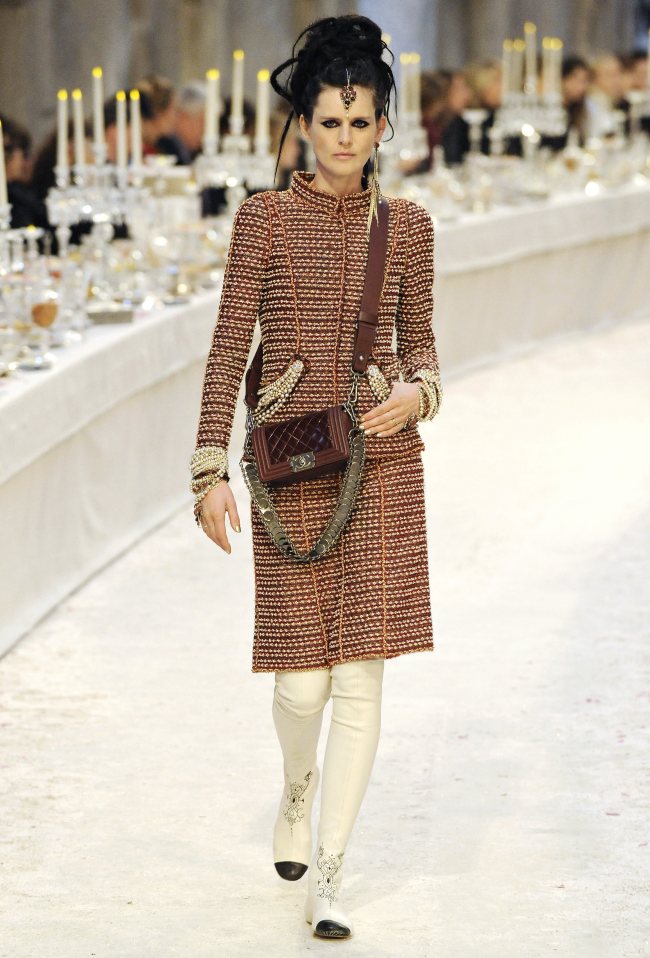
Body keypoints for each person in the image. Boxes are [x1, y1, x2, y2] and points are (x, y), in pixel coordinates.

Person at [189, 13, 442, 941]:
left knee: (362, 682)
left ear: (382, 126)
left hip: (382, 465)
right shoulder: (263, 220)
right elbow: (228, 349)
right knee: (302, 688)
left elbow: (424, 347)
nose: (343, 138)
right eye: (328, 121)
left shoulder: (409, 228)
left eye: (359, 122)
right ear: (302, 124)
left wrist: (418, 395)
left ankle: (328, 874)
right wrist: (208, 468)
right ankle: (296, 789)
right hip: (290, 465)